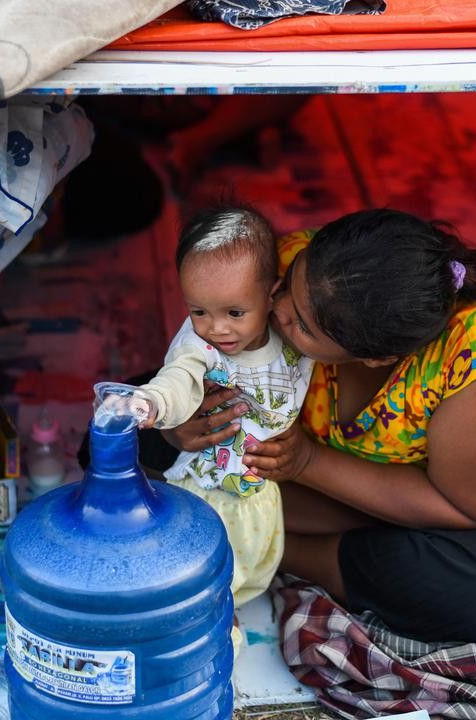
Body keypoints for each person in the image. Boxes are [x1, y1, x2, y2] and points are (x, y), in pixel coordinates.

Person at [163, 209, 476, 643]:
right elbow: (201, 359)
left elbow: (472, 508)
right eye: (286, 288)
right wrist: (183, 423)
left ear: (375, 358)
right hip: (304, 473)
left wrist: (307, 462)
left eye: (301, 324)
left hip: (469, 498)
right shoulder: (285, 269)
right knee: (138, 430)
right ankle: (267, 530)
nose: (276, 310)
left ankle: (264, 549)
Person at [120, 206, 313, 614]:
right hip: (206, 490)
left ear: (272, 294)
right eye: (199, 311)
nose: (216, 328)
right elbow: (179, 377)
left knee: (254, 566)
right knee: (202, 577)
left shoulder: (292, 332)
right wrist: (153, 401)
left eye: (234, 313)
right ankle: (215, 622)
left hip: (259, 492)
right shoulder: (200, 346)